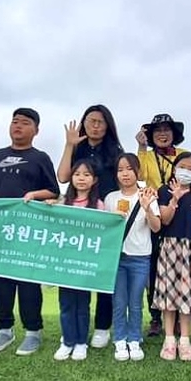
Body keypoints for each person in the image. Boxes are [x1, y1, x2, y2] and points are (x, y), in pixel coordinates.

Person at [0, 108, 60, 356]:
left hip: (27, 232)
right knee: (1, 282)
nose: (18, 126)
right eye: (15, 122)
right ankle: (4, 329)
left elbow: (53, 191)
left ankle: (33, 332)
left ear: (35, 130)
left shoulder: (40, 158)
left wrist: (34, 195)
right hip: (0, 232)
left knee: (28, 283)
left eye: (25, 123)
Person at [56, 104, 123, 349]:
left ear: (108, 126)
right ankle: (73, 331)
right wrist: (69, 145)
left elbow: (124, 180)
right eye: (91, 120)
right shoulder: (78, 148)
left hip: (105, 218)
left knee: (103, 273)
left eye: (100, 122)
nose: (95, 125)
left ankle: (103, 327)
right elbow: (63, 177)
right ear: (84, 123)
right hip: (77, 218)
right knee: (75, 275)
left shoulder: (115, 150)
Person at [105, 154, 161, 362]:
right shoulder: (110, 198)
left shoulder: (147, 195)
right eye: (120, 170)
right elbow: (105, 229)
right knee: (119, 301)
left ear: (137, 171)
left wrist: (147, 207)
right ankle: (120, 339)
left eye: (129, 169)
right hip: (117, 258)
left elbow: (156, 227)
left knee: (135, 302)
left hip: (140, 258)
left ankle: (134, 339)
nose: (125, 173)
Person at [136, 114, 187, 337]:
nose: (162, 134)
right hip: (155, 215)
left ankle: (179, 315)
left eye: (167, 129)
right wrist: (140, 147)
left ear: (174, 134)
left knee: (179, 268)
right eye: (157, 130)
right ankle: (156, 316)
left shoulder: (184, 156)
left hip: (179, 213)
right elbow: (139, 177)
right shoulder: (146, 156)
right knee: (154, 268)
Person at [153, 152, 191, 361]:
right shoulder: (164, 192)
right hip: (168, 248)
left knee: (185, 296)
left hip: (188, 250)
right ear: (174, 168)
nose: (186, 171)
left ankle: (185, 339)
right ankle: (169, 339)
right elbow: (164, 220)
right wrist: (175, 198)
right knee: (168, 296)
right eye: (182, 166)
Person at [48, 160, 104, 361]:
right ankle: (67, 341)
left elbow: (105, 231)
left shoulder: (98, 205)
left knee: (82, 304)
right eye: (78, 174)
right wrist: (49, 207)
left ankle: (81, 342)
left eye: (87, 174)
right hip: (65, 263)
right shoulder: (63, 202)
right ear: (71, 178)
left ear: (94, 180)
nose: (81, 178)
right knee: (66, 304)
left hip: (85, 263)